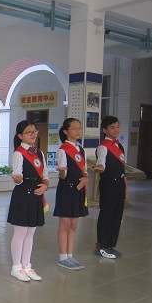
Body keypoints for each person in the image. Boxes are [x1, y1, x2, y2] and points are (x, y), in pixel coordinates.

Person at [7, 120, 49, 282]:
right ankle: (16, 267)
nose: (32, 134)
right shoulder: (18, 153)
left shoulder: (39, 153)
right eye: (28, 132)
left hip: (36, 195)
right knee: (20, 232)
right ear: (20, 136)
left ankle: (26, 265)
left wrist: (45, 186)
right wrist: (17, 179)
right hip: (23, 194)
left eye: (34, 131)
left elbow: (45, 175)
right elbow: (18, 176)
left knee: (31, 232)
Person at [54, 118, 89, 271]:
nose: (77, 131)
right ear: (65, 131)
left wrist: (86, 179)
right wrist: (61, 171)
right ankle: (62, 257)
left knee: (74, 224)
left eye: (79, 128)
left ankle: (70, 255)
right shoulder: (63, 150)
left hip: (78, 190)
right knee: (65, 224)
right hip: (66, 189)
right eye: (74, 128)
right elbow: (62, 176)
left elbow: (85, 171)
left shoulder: (81, 149)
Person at [93, 115, 127, 259]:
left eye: (117, 127)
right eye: (112, 128)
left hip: (119, 183)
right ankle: (102, 245)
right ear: (104, 130)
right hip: (109, 184)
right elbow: (101, 162)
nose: (116, 130)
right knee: (107, 214)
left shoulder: (120, 146)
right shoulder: (103, 146)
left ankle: (111, 245)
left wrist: (126, 187)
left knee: (117, 215)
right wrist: (100, 167)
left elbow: (122, 169)